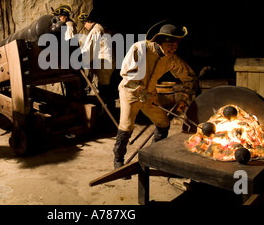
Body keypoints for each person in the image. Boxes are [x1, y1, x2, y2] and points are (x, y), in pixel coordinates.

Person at [113, 20, 197, 169]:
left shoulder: (171, 58)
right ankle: (118, 159)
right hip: (130, 93)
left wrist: (185, 98)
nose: (173, 49)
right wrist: (140, 90)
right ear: (159, 42)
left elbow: (189, 76)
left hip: (150, 95)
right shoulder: (140, 48)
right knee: (126, 126)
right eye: (170, 45)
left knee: (163, 122)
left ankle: (153, 154)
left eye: (176, 45)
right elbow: (128, 74)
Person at [79, 12, 115, 110]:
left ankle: (108, 110)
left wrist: (81, 58)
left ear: (88, 22)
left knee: (104, 88)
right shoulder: (101, 28)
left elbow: (90, 48)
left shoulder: (95, 30)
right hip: (107, 60)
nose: (85, 26)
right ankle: (108, 109)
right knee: (106, 86)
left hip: (104, 61)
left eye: (85, 23)